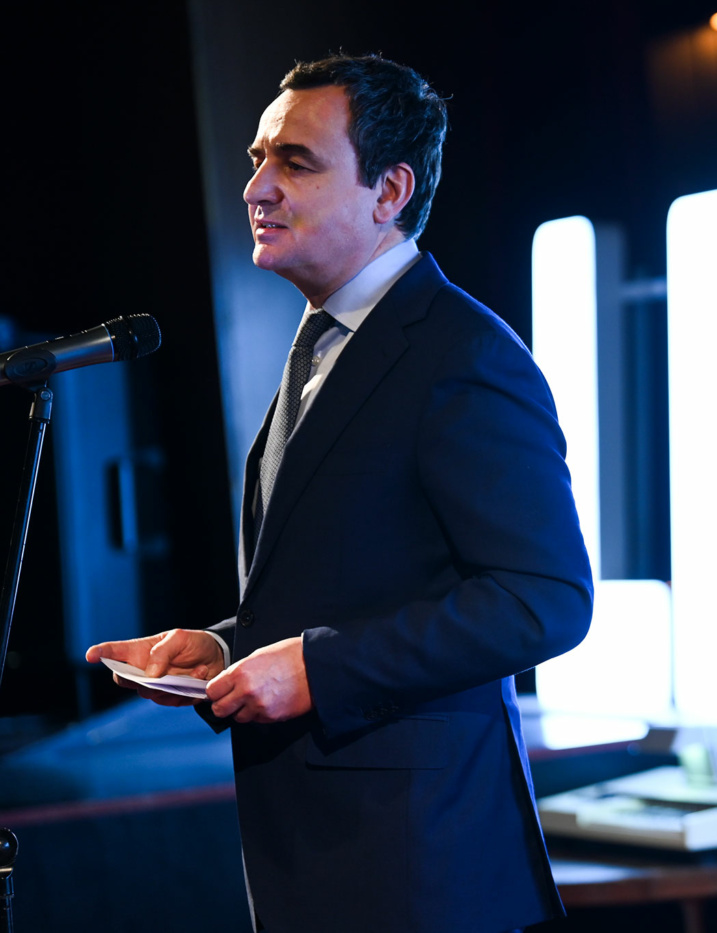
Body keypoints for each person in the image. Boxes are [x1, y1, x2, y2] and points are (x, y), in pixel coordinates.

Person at [85, 53, 592, 933]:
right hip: (321, 861)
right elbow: (350, 589)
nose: (256, 188)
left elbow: (545, 599)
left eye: (295, 161)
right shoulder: (325, 344)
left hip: (419, 875)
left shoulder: (464, 354)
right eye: (257, 159)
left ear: (389, 190)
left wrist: (318, 668)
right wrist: (224, 646)